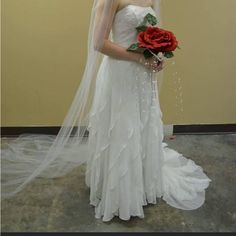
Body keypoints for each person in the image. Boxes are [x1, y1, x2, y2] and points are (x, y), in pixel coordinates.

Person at [1, 0, 212, 222]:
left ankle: (141, 182)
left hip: (143, 76)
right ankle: (120, 192)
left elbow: (150, 35)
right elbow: (99, 43)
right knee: (123, 127)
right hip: (120, 73)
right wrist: (140, 58)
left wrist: (156, 57)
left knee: (141, 122)